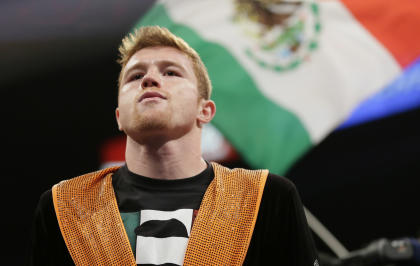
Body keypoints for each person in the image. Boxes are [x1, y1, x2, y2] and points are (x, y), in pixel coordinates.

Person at [28, 26, 319, 266]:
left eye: (171, 72)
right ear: (119, 117)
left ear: (204, 110)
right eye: (135, 76)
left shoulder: (268, 198)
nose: (150, 79)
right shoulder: (63, 206)